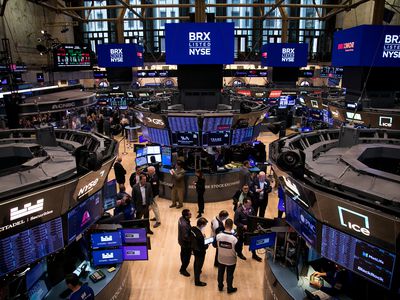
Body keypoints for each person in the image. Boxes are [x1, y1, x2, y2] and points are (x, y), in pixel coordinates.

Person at [234, 198, 262, 262]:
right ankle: (239, 253)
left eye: (250, 204)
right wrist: (243, 226)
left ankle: (254, 254)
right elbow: (235, 222)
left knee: (253, 241)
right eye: (249, 204)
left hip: (250, 229)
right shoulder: (238, 211)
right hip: (241, 231)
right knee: (240, 243)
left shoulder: (251, 209)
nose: (250, 206)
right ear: (244, 203)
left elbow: (254, 218)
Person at [216, 218, 238, 294]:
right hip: (231, 260)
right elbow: (238, 250)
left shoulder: (218, 236)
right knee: (230, 274)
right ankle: (229, 288)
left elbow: (214, 245)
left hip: (221, 258)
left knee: (220, 273)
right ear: (232, 226)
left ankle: (220, 286)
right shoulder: (234, 239)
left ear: (225, 225)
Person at [190, 217, 209, 287]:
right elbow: (203, 246)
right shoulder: (200, 236)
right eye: (204, 225)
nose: (205, 226)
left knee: (196, 262)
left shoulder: (193, 228)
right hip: (200, 252)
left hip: (195, 250)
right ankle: (197, 282)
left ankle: (197, 271)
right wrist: (207, 244)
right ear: (201, 225)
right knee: (199, 265)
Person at [178, 209, 192, 277]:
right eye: (189, 214)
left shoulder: (181, 218)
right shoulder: (184, 225)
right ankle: (183, 269)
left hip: (181, 241)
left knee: (183, 253)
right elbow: (185, 237)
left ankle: (183, 262)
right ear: (186, 216)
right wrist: (193, 240)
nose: (191, 214)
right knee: (187, 257)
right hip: (185, 243)